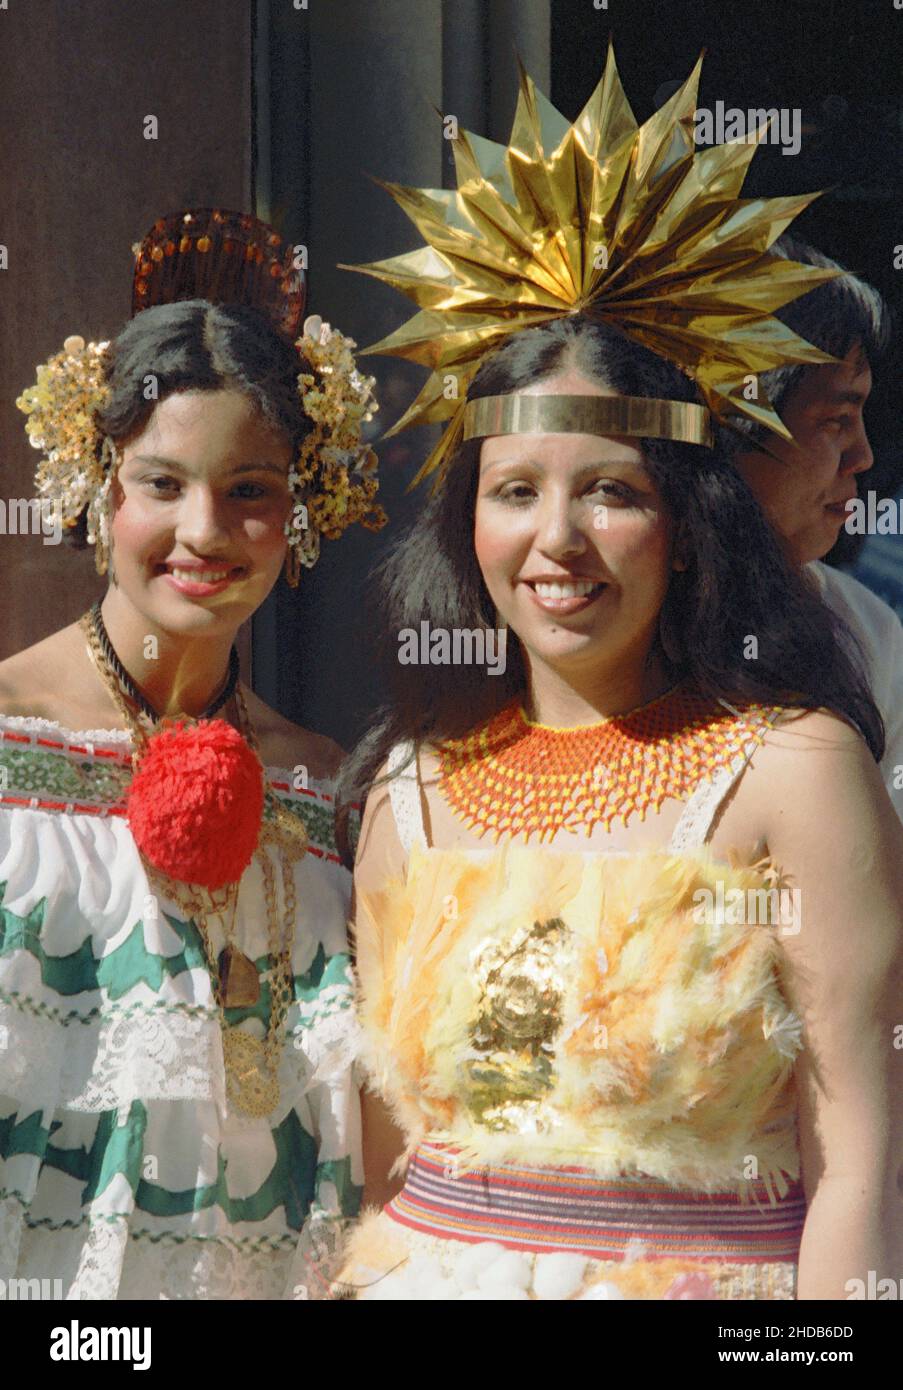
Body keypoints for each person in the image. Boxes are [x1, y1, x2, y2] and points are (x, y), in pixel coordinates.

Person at [333, 53, 903, 1301]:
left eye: (612, 491)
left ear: (687, 516)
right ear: (464, 524)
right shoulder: (403, 797)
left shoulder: (794, 771)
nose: (558, 542)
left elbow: (860, 1155)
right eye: (517, 492)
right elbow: (387, 1167)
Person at [0, 209, 385, 1299]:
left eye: (250, 490)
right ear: (100, 486)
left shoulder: (321, 790)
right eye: (163, 483)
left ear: (301, 509)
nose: (205, 530)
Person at [731, 235, 903, 819]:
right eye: (836, 418)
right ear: (732, 422)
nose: (863, 456)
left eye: (861, 417)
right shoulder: (590, 613)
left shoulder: (868, 634)